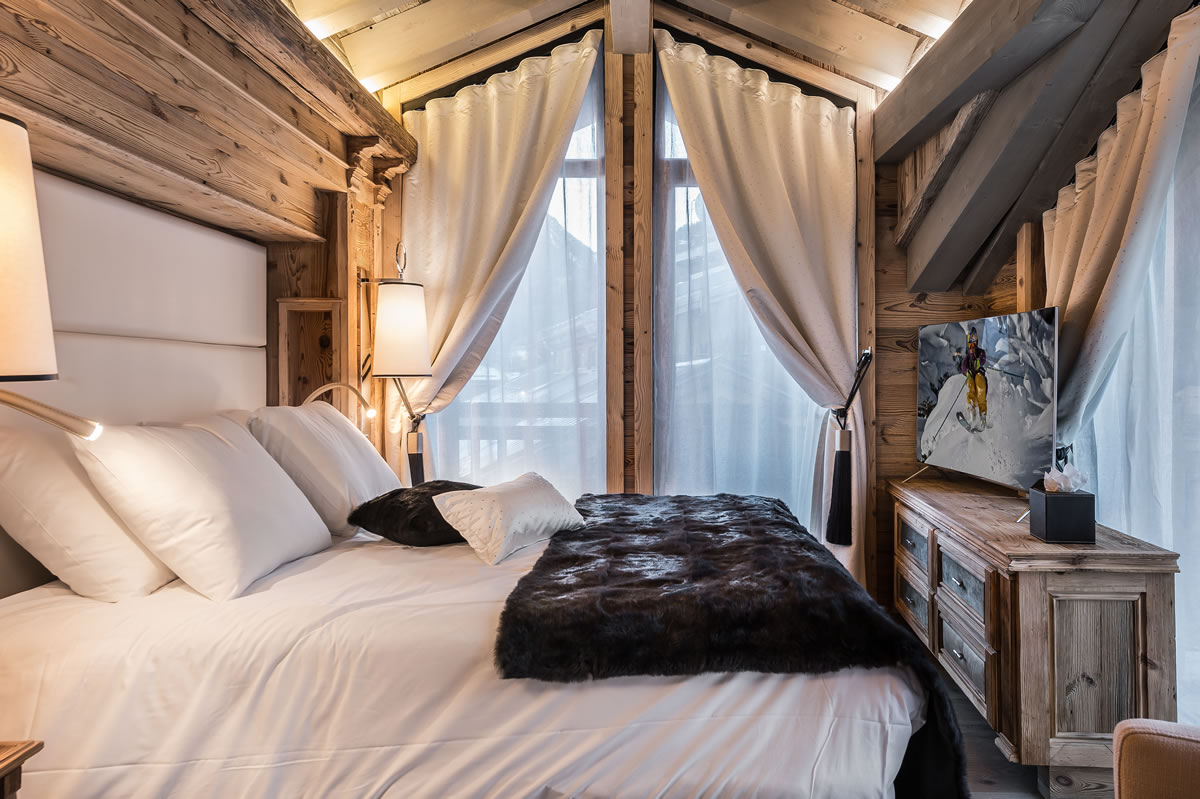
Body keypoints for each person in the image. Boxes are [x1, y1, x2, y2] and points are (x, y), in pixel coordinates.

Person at [961, 327, 988, 427]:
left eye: (973, 344)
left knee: (980, 384)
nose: (971, 347)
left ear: (976, 343)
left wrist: (979, 362)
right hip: (971, 376)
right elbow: (963, 366)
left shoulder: (980, 352)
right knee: (970, 385)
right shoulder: (967, 357)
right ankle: (972, 411)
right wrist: (966, 372)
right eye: (970, 345)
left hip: (979, 375)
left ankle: (983, 415)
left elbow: (983, 358)